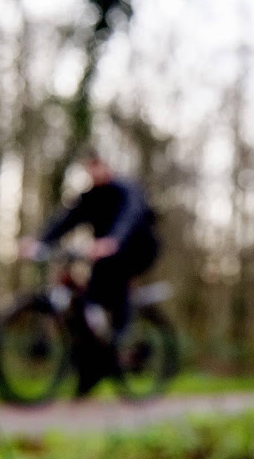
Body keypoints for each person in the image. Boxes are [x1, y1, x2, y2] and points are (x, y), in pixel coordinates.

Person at [21, 149, 158, 396]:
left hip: (136, 248)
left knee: (113, 280)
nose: (93, 172)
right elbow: (66, 220)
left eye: (96, 165)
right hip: (106, 251)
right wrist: (40, 242)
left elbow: (129, 216)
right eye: (88, 167)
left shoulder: (126, 189)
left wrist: (113, 240)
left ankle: (121, 340)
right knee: (87, 298)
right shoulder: (90, 197)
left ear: (106, 165)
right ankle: (91, 367)